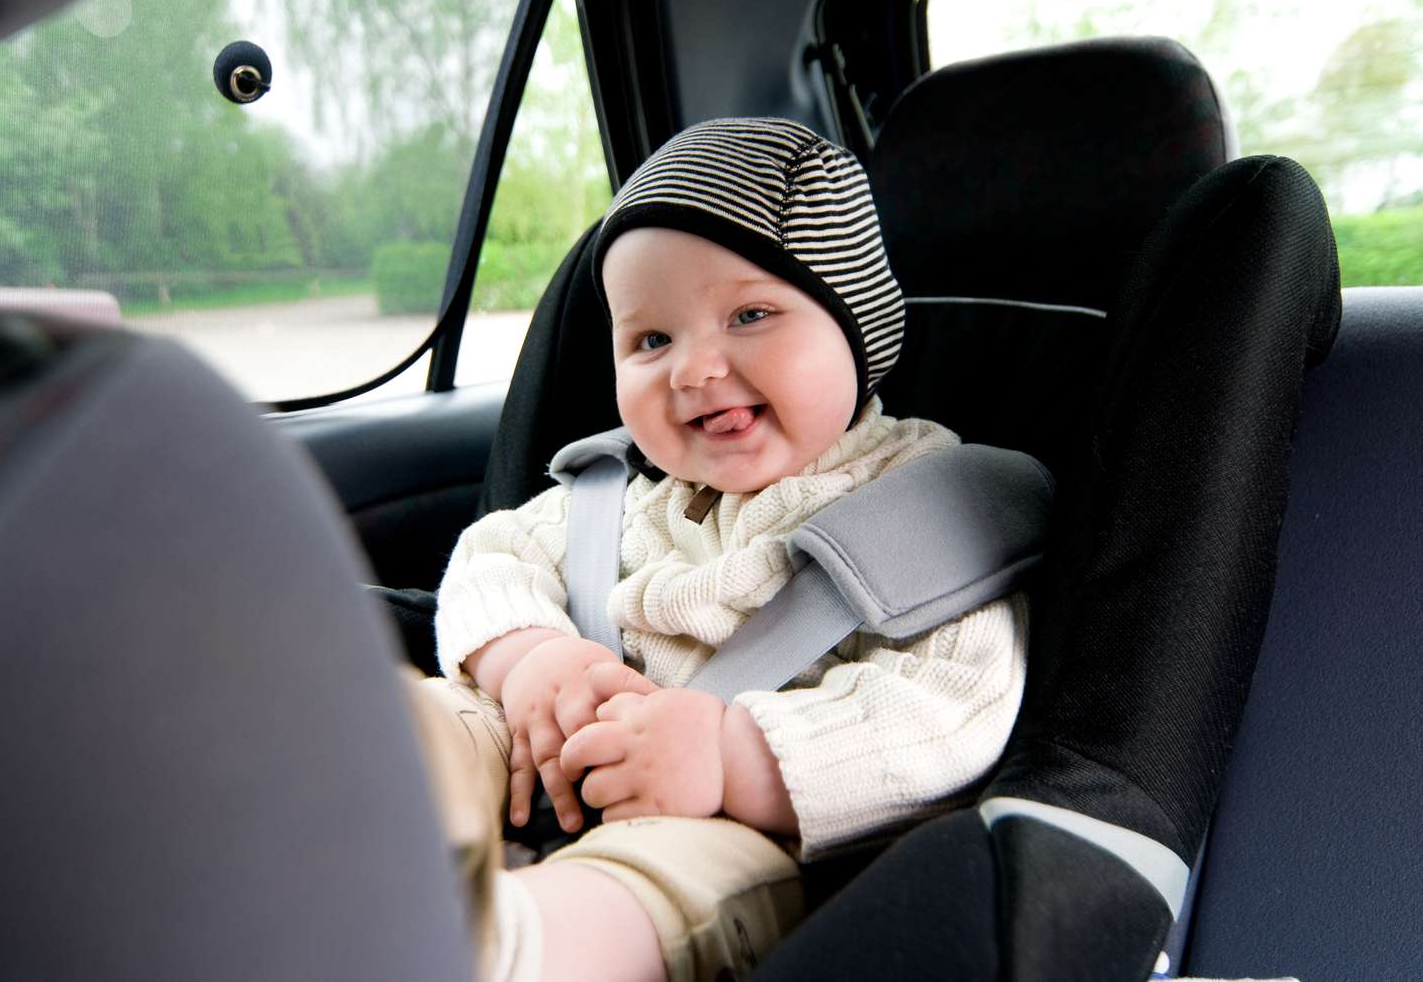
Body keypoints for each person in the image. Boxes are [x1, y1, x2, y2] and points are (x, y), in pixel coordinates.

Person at [408, 117, 1028, 982]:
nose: (693, 370)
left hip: (745, 833)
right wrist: (531, 662)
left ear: (856, 328)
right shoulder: (622, 493)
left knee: (651, 894)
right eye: (650, 340)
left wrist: (728, 760)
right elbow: (494, 555)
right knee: (432, 720)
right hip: (553, 753)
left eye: (751, 314)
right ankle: (311, 809)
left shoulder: (924, 508)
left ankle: (489, 952)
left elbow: (951, 710)